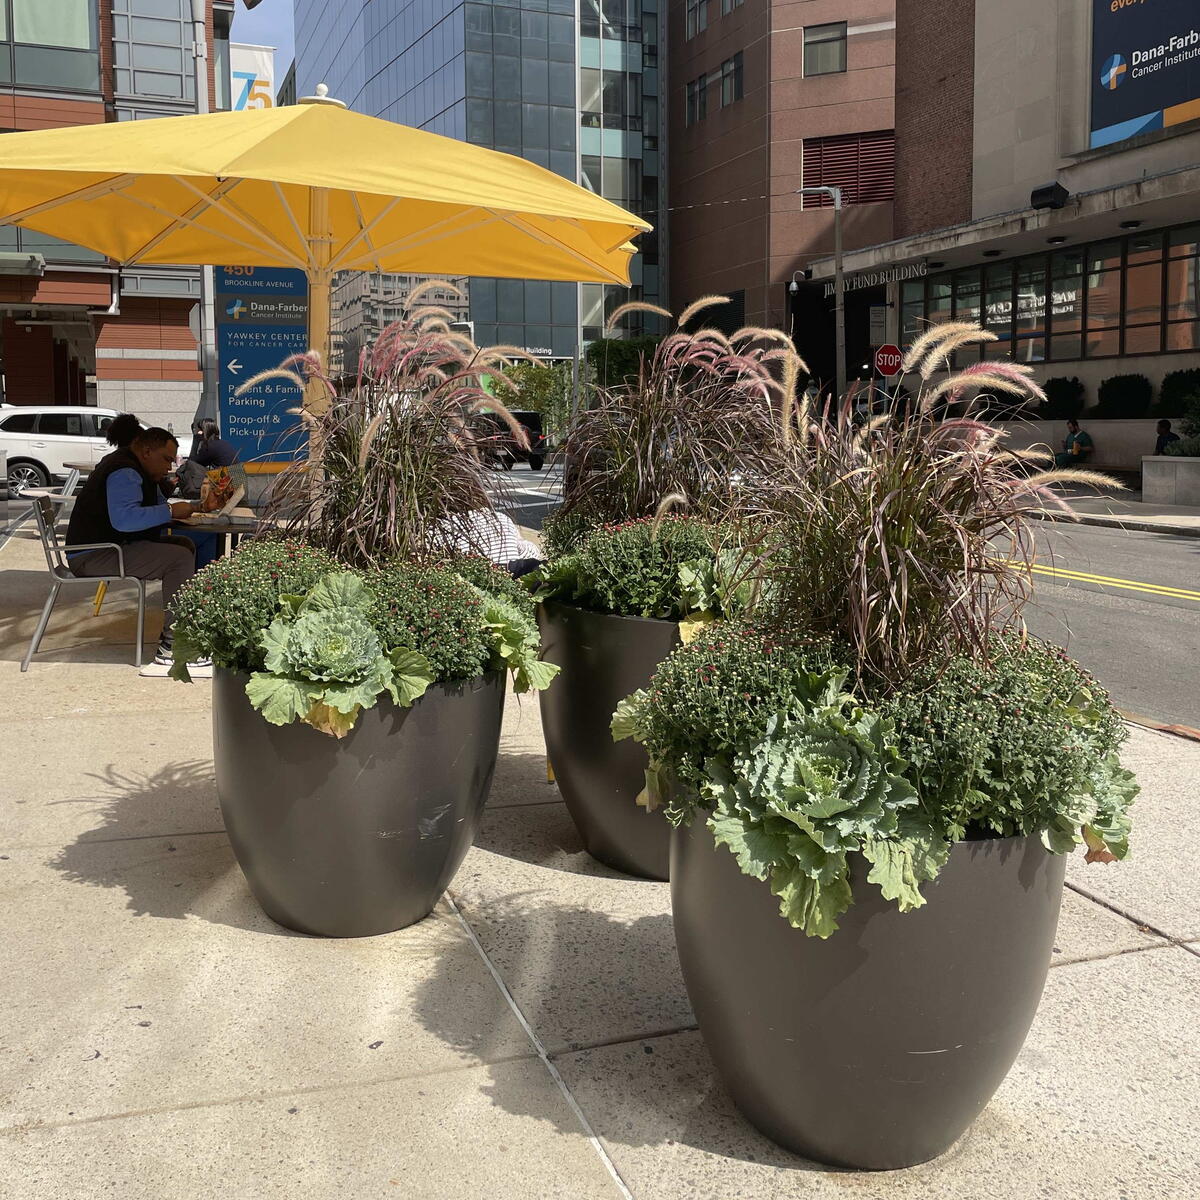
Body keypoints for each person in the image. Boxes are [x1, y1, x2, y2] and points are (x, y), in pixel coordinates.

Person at [66, 426, 211, 678]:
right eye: (166, 460)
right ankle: (173, 645)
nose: (169, 468)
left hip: (102, 548)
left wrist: (193, 506)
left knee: (183, 546)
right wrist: (169, 512)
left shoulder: (133, 468)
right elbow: (125, 520)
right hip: (93, 554)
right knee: (178, 559)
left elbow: (150, 506)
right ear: (146, 451)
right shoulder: (125, 472)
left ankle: (182, 630)